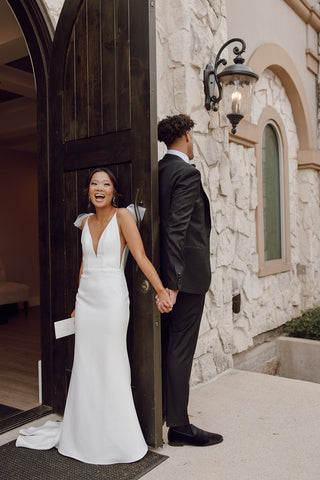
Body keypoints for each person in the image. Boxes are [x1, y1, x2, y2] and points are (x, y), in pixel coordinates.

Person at [16, 168, 172, 464]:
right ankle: (82, 435)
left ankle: (119, 440)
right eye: (94, 183)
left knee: (112, 363)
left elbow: (140, 257)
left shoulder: (124, 217)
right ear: (88, 191)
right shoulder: (85, 222)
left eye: (105, 184)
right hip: (86, 303)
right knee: (85, 366)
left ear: (114, 191)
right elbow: (84, 265)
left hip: (113, 301)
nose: (99, 188)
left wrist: (161, 290)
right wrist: (78, 302)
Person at [157, 114, 223, 447]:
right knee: (180, 350)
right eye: (192, 135)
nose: (194, 141)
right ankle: (179, 427)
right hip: (184, 279)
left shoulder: (157, 171)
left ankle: (166, 414)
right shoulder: (185, 172)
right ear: (185, 134)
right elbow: (175, 229)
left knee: (168, 346)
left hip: (167, 277)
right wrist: (173, 283)